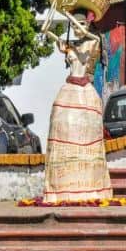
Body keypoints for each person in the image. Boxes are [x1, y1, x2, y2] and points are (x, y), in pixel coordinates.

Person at [43, 12, 112, 203]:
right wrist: (54, 9)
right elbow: (46, 31)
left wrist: (69, 15)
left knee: (87, 139)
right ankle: (62, 188)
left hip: (86, 93)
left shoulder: (94, 41)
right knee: (63, 132)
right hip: (69, 89)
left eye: (81, 24)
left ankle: (89, 186)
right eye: (72, 25)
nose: (76, 28)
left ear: (88, 24)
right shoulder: (71, 46)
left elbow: (86, 33)